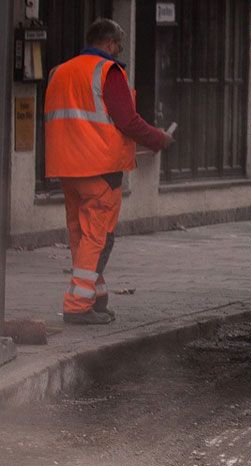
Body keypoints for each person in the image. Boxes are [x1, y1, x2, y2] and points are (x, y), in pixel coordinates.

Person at [44, 19, 173, 325]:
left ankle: (95, 296)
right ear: (110, 42)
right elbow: (127, 121)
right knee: (98, 238)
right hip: (100, 168)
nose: (119, 51)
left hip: (67, 167)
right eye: (119, 45)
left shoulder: (60, 72)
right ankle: (77, 305)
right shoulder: (108, 72)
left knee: (80, 235)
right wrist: (158, 138)